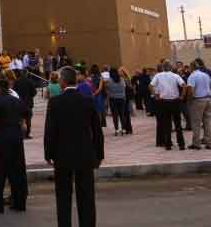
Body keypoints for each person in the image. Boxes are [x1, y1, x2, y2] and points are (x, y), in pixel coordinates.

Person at [44, 66, 104, 227]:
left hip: (62, 155)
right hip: (84, 154)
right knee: (86, 196)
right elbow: (97, 130)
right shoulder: (87, 101)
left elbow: (50, 130)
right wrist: (99, 154)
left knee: (63, 196)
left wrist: (48, 153)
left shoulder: (55, 102)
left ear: (62, 81)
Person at [0, 78, 29, 213]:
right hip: (16, 139)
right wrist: (21, 123)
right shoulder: (16, 100)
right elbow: (27, 113)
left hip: (2, 139)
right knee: (17, 171)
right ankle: (19, 203)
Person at [151, 62, 186, 150]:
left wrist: (156, 95)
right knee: (178, 124)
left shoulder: (158, 75)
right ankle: (181, 144)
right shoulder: (175, 75)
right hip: (175, 101)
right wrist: (182, 96)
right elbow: (184, 85)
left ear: (163, 68)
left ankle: (168, 144)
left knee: (167, 124)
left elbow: (150, 85)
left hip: (164, 102)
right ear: (171, 68)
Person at [186, 62, 211, 150]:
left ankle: (196, 143)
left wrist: (189, 100)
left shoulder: (192, 76)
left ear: (192, 67)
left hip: (197, 100)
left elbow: (191, 89)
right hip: (207, 99)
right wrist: (210, 96)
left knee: (196, 123)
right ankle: (209, 142)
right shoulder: (205, 75)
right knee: (208, 122)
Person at [13, 70, 37, 139]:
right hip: (28, 103)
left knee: (20, 119)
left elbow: (14, 92)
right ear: (26, 74)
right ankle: (27, 134)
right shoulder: (30, 81)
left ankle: (20, 133)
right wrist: (30, 96)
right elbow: (34, 92)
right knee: (28, 119)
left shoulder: (17, 81)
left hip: (19, 103)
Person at [105, 68, 127, 136]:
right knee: (122, 115)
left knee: (115, 115)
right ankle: (123, 129)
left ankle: (116, 130)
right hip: (122, 99)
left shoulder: (109, 80)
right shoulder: (122, 79)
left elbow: (107, 88)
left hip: (113, 99)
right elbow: (124, 87)